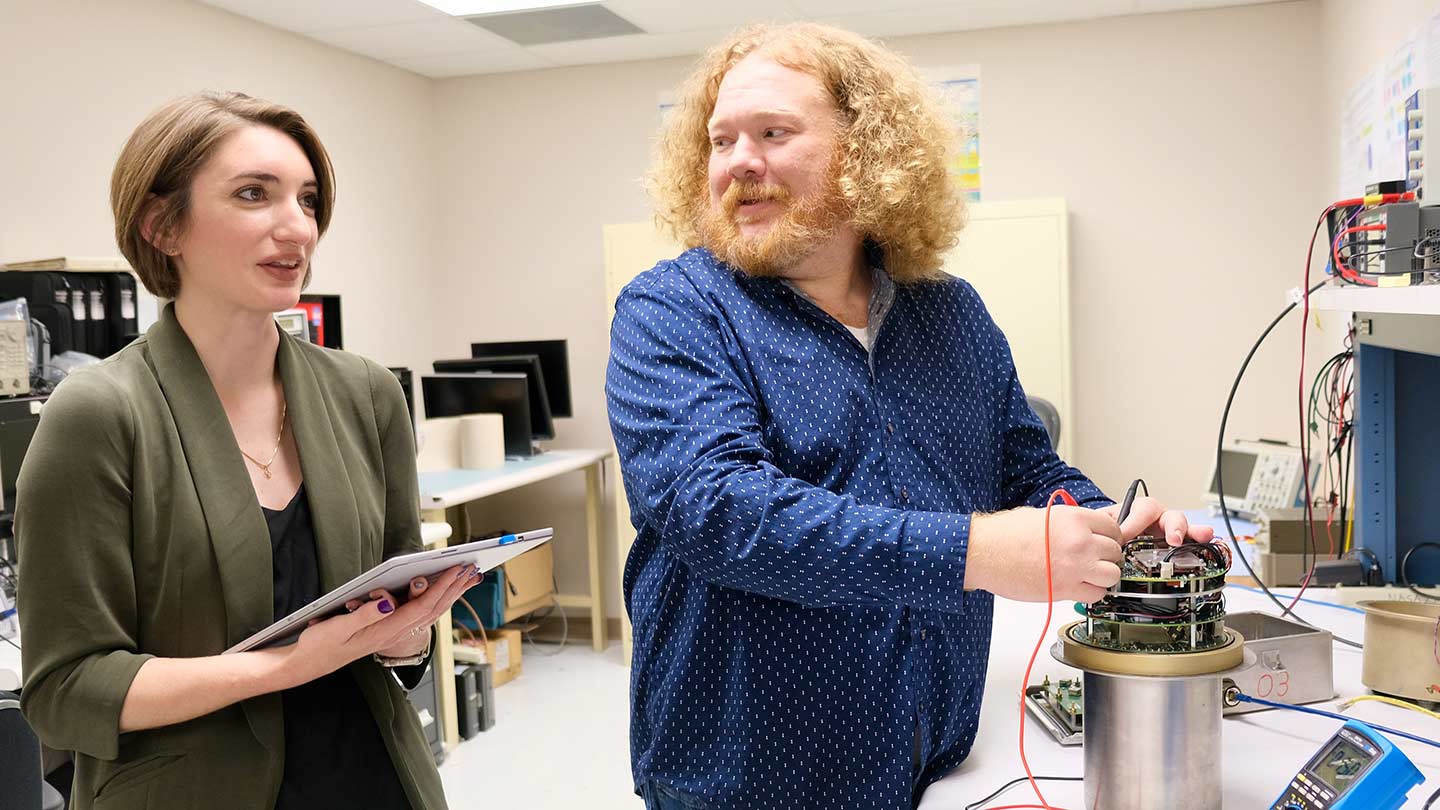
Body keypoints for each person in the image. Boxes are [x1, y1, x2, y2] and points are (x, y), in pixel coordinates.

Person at [606, 23, 1214, 810]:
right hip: (749, 779)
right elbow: (721, 513)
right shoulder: (673, 310)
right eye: (721, 141)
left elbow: (1026, 469)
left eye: (773, 133)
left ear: (866, 154)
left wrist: (1106, 525)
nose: (740, 162)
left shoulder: (950, 314)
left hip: (939, 761)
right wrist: (978, 552)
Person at [15, 91, 477, 810]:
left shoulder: (366, 392)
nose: (297, 228)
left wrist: (404, 637)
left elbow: (395, 606)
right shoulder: (100, 414)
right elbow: (67, 690)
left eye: (309, 199)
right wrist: (286, 666)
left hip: (373, 780)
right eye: (254, 195)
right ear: (163, 225)